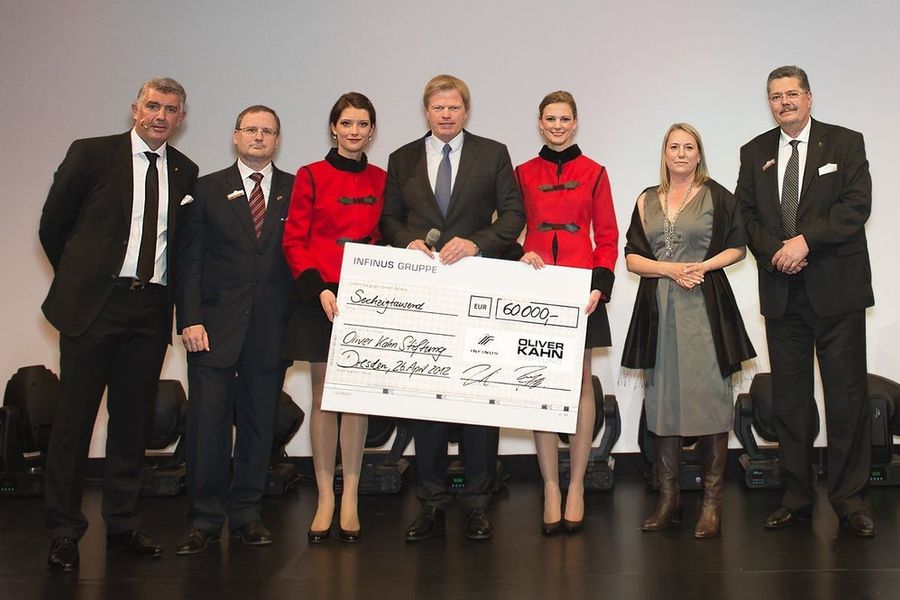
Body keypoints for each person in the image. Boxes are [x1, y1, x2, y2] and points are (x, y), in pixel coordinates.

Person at [39, 77, 198, 571]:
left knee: (132, 423)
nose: (160, 115)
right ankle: (64, 531)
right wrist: (83, 278)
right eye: (153, 105)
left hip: (150, 308)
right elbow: (53, 226)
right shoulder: (91, 154)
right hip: (94, 307)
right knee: (74, 422)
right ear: (135, 109)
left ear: (181, 118)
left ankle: (123, 522)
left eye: (170, 109)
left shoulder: (185, 170)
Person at [380, 74, 525, 541]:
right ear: (427, 111)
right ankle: (431, 502)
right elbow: (388, 218)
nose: (446, 115)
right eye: (438, 107)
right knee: (426, 400)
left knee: (479, 396)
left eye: (454, 107)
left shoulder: (493, 153)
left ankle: (478, 501)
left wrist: (477, 243)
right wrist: (408, 241)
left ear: (466, 111)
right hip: (422, 295)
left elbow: (515, 215)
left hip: (477, 289)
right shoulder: (401, 158)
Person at [736, 65, 875, 537]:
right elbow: (745, 216)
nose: (785, 102)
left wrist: (804, 242)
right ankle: (796, 498)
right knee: (790, 402)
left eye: (792, 93)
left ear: (809, 97)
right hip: (783, 293)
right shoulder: (754, 151)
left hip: (837, 291)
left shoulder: (845, 143)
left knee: (846, 399)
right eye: (776, 96)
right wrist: (778, 252)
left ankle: (850, 501)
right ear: (769, 103)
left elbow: (856, 206)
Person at [622, 123, 755, 538]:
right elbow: (631, 258)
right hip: (659, 308)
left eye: (689, 147)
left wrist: (701, 266)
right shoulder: (645, 199)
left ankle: (712, 503)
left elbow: (738, 247)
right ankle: (669, 498)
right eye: (674, 147)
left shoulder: (718, 196)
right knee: (662, 400)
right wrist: (670, 270)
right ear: (665, 153)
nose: (681, 153)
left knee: (711, 398)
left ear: (699, 155)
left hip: (705, 306)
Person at [173, 105, 294, 554]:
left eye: (268, 131)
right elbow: (189, 261)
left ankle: (247, 513)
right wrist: (189, 318)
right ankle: (204, 519)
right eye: (251, 130)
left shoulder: (296, 190)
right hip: (212, 328)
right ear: (235, 136)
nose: (259, 137)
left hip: (272, 329)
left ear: (277, 140)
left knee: (260, 426)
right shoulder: (205, 189)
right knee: (208, 426)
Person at [282, 92, 386, 544]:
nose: (354, 131)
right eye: (347, 123)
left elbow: (387, 237)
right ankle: (325, 495)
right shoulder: (310, 175)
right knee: (324, 394)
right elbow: (294, 240)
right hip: (319, 296)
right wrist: (319, 288)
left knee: (356, 397)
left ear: (372, 131)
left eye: (362, 124)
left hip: (366, 297)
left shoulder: (383, 179)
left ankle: (352, 497)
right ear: (333, 128)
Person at [513, 91, 618, 535]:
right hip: (537, 286)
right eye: (550, 119)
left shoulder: (595, 172)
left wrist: (599, 284)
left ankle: (576, 486)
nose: (557, 126)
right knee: (541, 384)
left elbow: (608, 236)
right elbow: (509, 228)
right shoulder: (522, 173)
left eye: (564, 119)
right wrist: (519, 253)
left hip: (580, 288)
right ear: (540, 123)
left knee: (579, 383)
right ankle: (550, 487)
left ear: (575, 123)